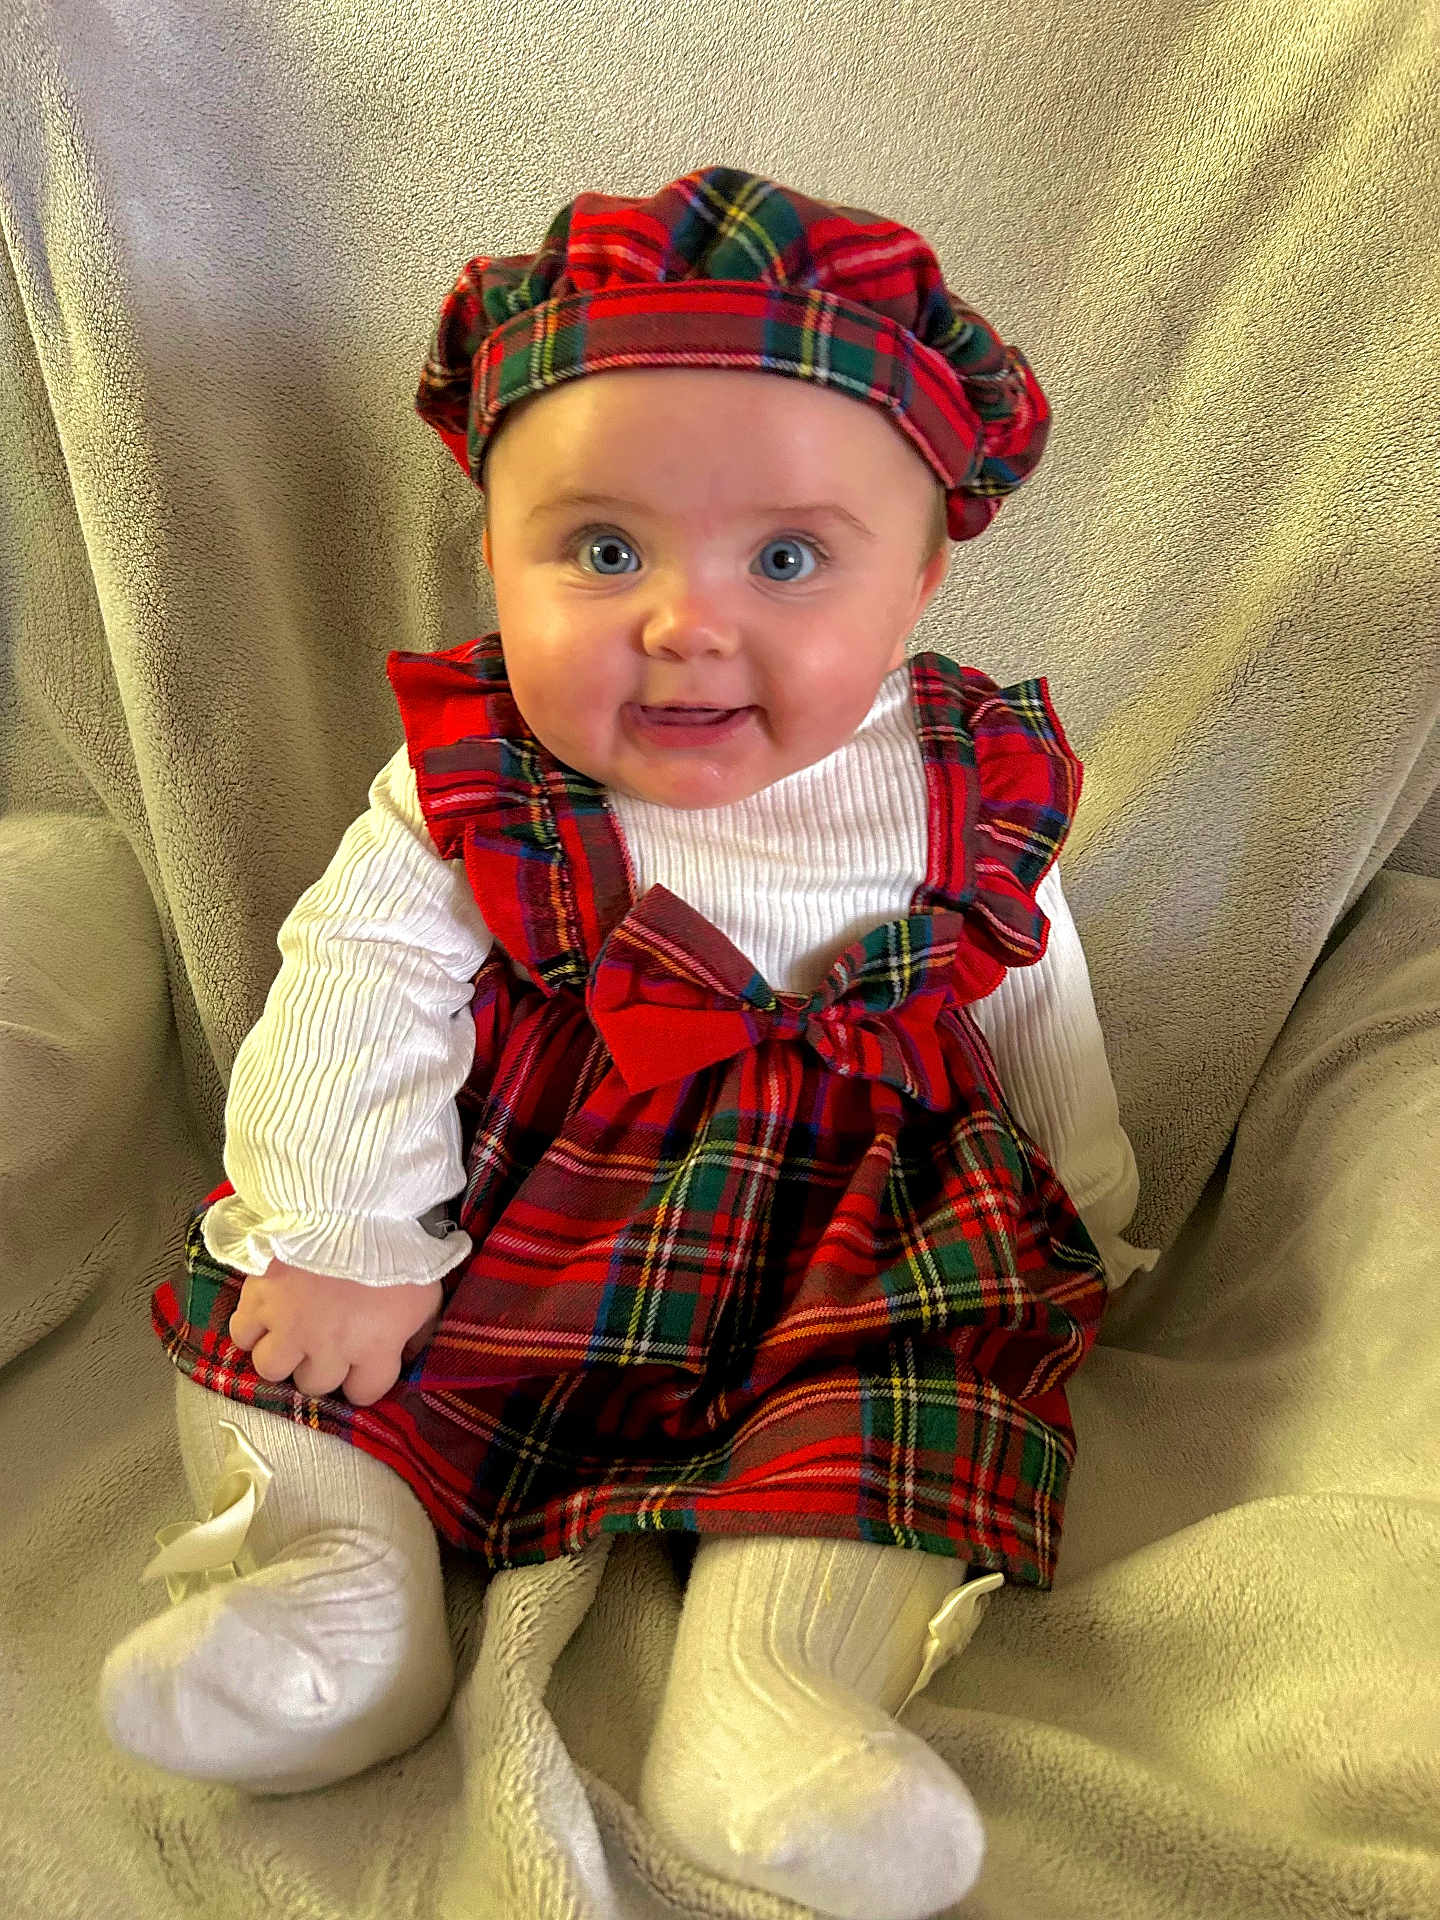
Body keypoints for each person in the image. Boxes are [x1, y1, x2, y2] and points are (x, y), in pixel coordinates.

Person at [99, 166, 1158, 1919]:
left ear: (920, 576)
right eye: (601, 551)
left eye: (791, 558)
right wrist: (355, 1244)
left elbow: (1034, 983)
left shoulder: (967, 785)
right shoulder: (479, 791)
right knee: (294, 1356)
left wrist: (1082, 1200)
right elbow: (355, 982)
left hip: (854, 1235)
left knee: (894, 1420)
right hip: (523, 1202)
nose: (684, 623)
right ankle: (332, 1598)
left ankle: (778, 1700)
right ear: (496, 550)